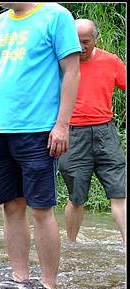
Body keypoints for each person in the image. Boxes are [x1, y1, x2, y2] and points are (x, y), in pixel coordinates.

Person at [0, 3, 81, 289]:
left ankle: (49, 286)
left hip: (38, 129)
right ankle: (20, 279)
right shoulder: (1, 23)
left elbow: (72, 72)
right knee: (11, 207)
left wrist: (62, 124)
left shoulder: (56, 16)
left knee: (40, 208)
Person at [58, 19, 127, 245]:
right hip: (73, 134)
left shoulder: (111, 61)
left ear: (96, 39)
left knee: (120, 193)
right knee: (77, 197)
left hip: (105, 132)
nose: (80, 46)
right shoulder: (60, 64)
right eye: (75, 41)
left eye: (85, 41)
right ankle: (71, 245)